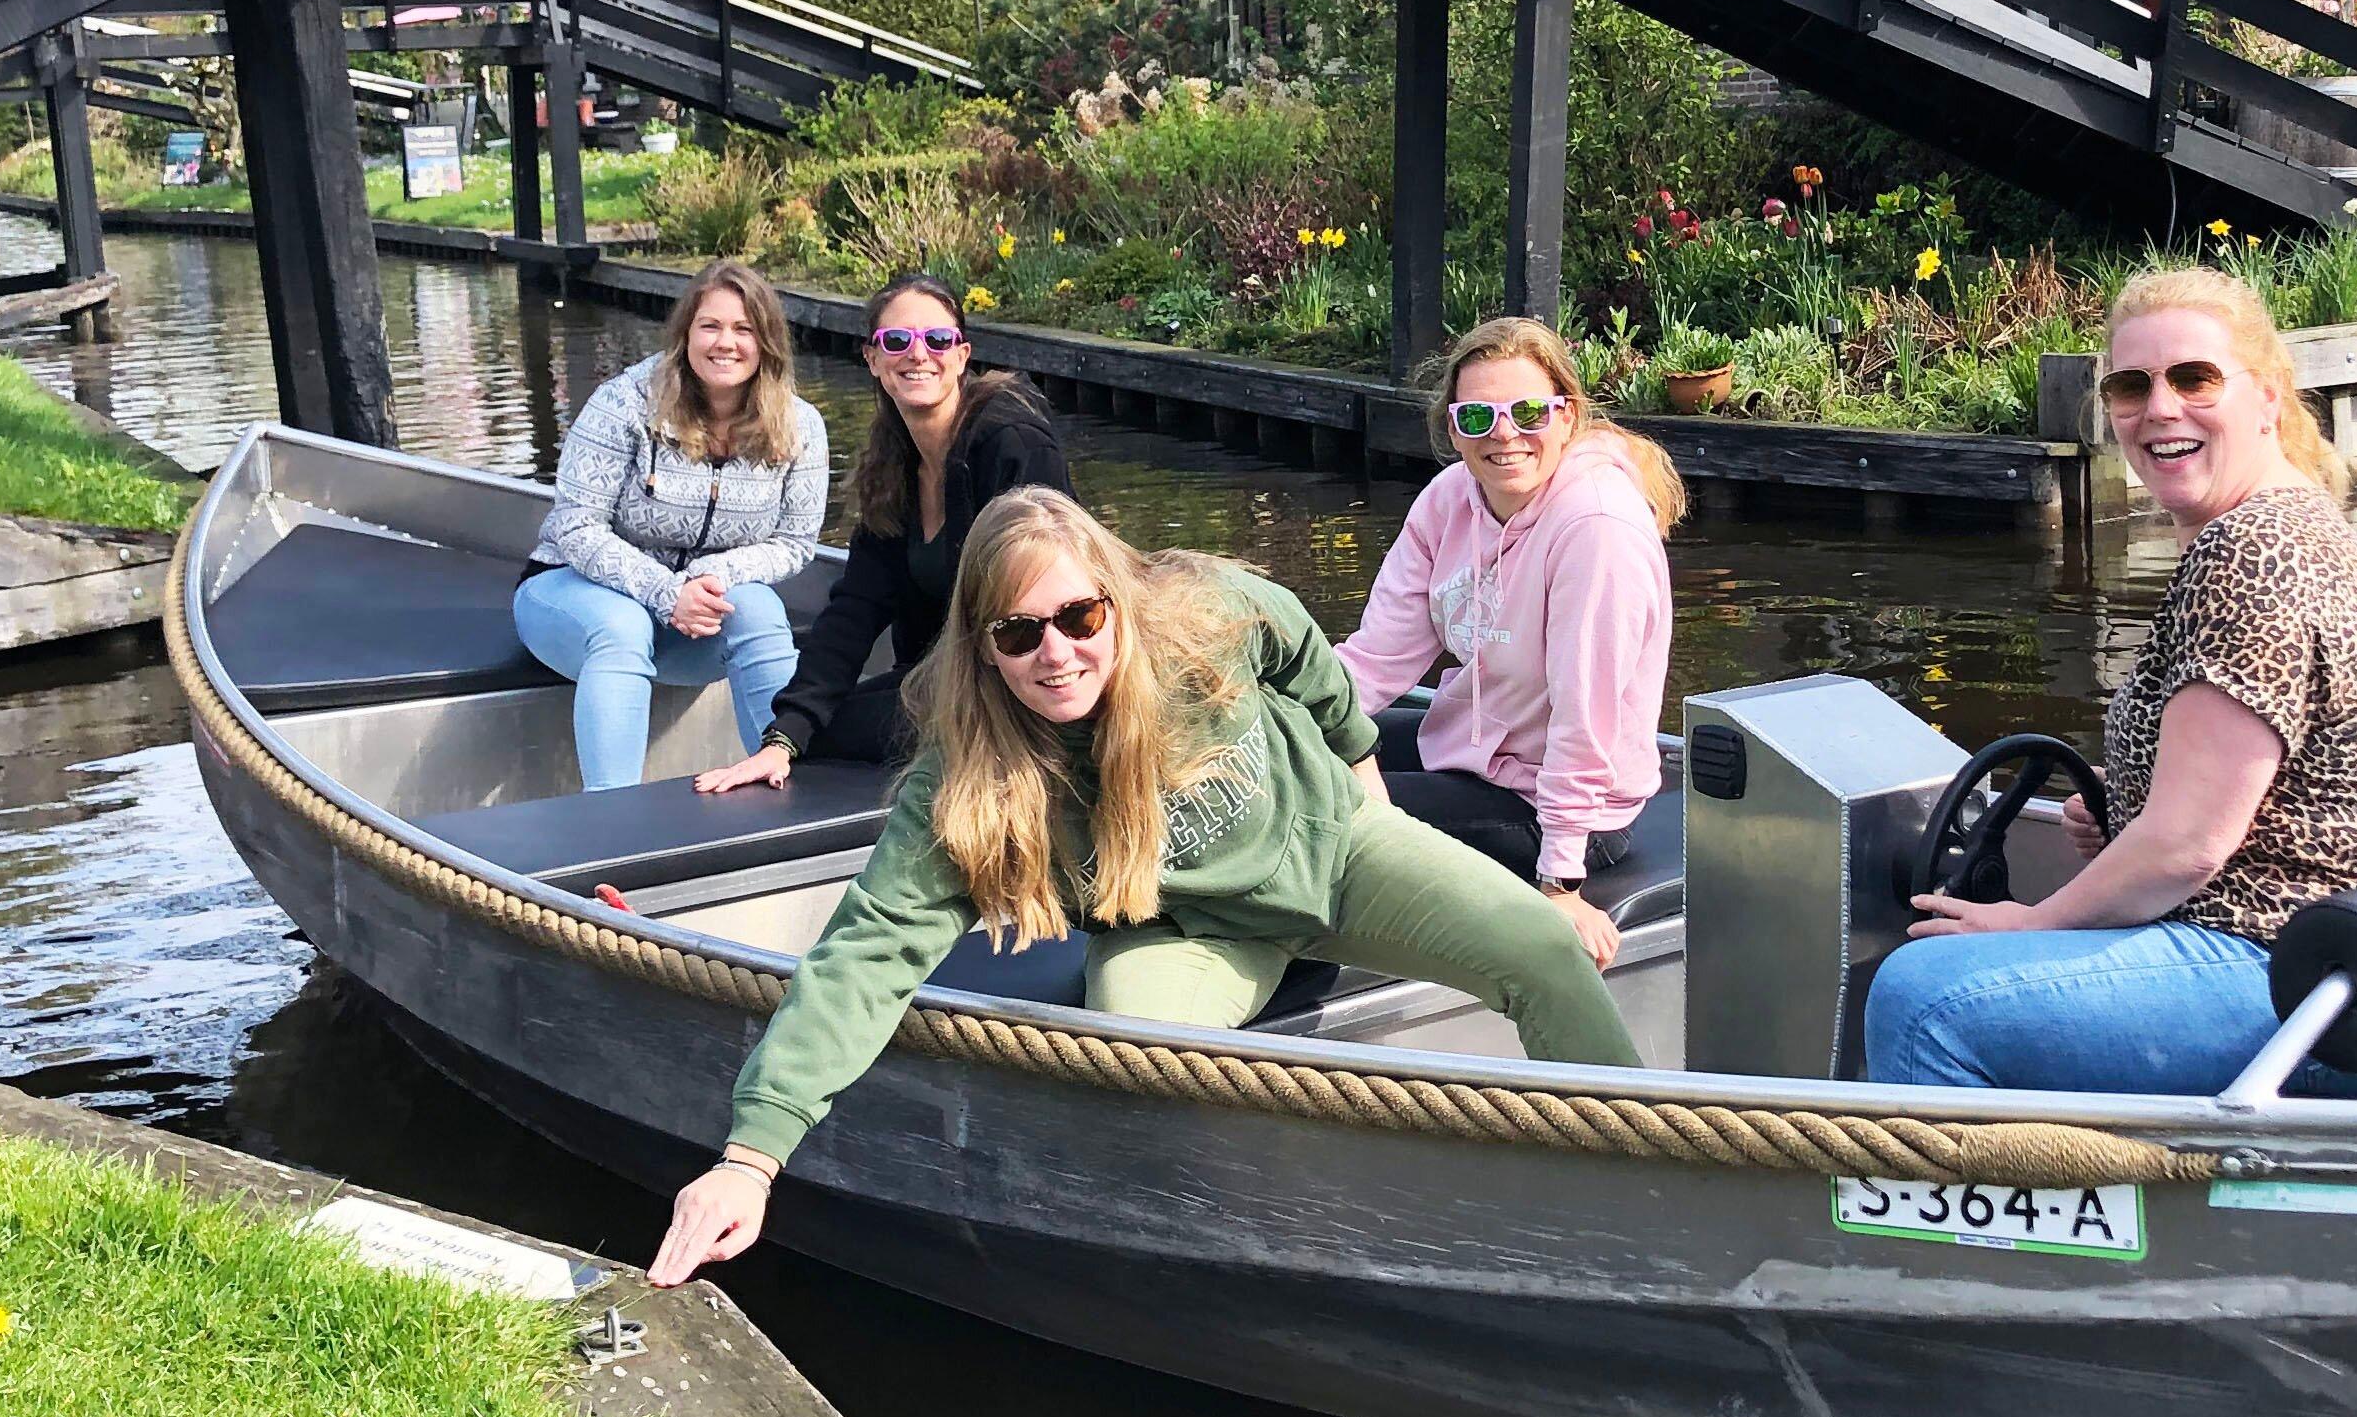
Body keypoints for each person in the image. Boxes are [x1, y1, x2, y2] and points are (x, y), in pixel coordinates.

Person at [645, 488, 1644, 1284]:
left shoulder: (1206, 611)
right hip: (1181, 930)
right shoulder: (974, 774)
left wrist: (1364, 792)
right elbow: (867, 953)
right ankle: (1282, 1258)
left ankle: (1641, 1188)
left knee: (1543, 951)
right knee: (1135, 1058)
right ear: (983, 649)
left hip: (1336, 858)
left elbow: (1314, 667)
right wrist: (753, 1156)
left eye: (1079, 615)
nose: (1057, 651)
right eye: (1019, 633)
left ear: (1117, 601)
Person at [1861, 264, 2357, 1098]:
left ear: (2267, 398)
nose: (2161, 408)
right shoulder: (2297, 525)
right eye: (2131, 386)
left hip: (2303, 975)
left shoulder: (2248, 554)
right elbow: (2262, 790)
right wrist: (2132, 795)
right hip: (2356, 963)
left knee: (1925, 999)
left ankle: (1972, 1227)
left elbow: (2186, 848)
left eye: (2194, 378)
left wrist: (2032, 921)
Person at [1336, 315, 1682, 973]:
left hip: (1566, 810)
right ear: (1453, 425)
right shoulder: (1450, 500)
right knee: (1307, 749)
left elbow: (1588, 726)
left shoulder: (1598, 528)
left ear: (1567, 413)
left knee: (1324, 808)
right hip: (1477, 744)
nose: (1504, 435)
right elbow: (1374, 659)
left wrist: (1560, 885)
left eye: (1527, 412)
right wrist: (1262, 717)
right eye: (1478, 418)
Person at [692, 274, 1074, 789]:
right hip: (948, 682)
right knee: (812, 733)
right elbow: (857, 607)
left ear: (961, 356)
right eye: (897, 341)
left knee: (840, 735)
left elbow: (1052, 592)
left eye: (937, 340)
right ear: (873, 359)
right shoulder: (895, 464)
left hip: (1027, 680)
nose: (919, 354)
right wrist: (785, 736)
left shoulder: (1012, 444)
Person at [512, 258, 827, 790]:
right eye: (711, 326)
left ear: (766, 341)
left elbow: (794, 543)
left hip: (698, 615)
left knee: (761, 609)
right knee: (621, 627)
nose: (725, 343)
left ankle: (791, 781)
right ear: (686, 334)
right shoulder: (624, 402)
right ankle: (612, 824)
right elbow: (575, 525)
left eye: (744, 329)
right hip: (574, 590)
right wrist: (665, 592)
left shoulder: (800, 425)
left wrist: (711, 576)